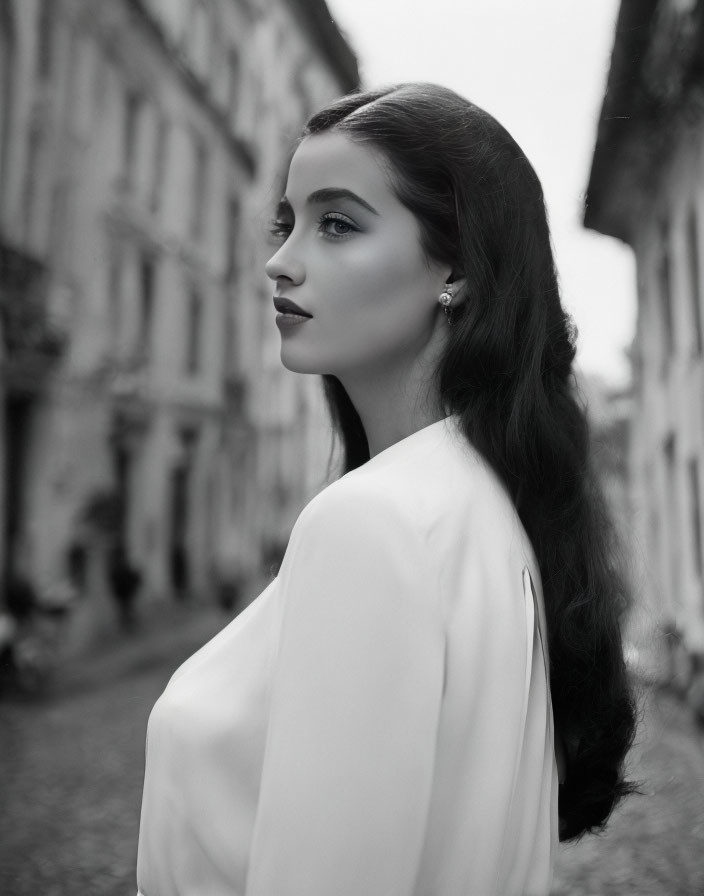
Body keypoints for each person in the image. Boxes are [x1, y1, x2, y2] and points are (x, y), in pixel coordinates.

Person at [135, 83, 637, 896]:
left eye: (337, 223)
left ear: (459, 271)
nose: (281, 258)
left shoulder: (373, 522)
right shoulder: (489, 510)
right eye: (286, 221)